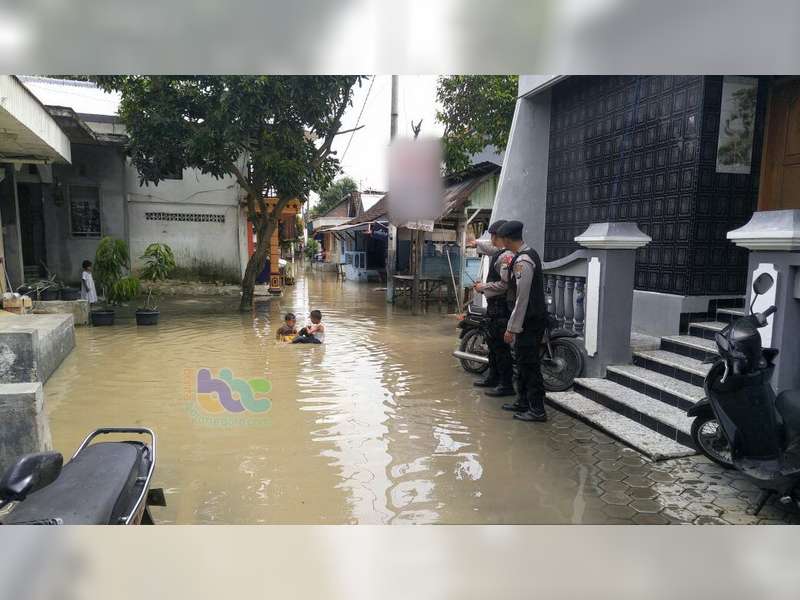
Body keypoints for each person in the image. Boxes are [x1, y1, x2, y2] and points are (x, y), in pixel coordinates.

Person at [496, 220, 548, 422]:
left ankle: (537, 409)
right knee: (522, 362)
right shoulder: (523, 255)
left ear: (507, 239)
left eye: (501, 239)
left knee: (529, 365)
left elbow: (522, 298)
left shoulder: (524, 261)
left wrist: (512, 328)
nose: (500, 242)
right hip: (528, 321)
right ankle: (523, 402)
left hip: (529, 322)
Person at [466, 220, 515, 397]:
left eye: (493, 236)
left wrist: (483, 287)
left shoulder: (507, 256)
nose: (491, 239)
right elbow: (489, 247)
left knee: (501, 348)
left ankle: (506, 384)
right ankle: (493, 377)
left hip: (502, 307)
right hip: (494, 308)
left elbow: (504, 285)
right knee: (493, 345)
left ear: (501, 237)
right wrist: (476, 243)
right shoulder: (500, 252)